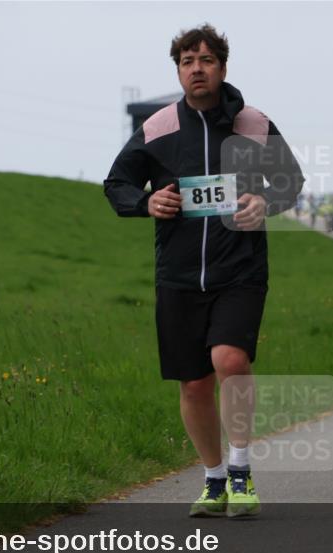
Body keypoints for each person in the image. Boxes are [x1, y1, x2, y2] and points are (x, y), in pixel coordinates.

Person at [104, 24, 304, 518]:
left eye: (206, 60)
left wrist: (265, 201)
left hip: (240, 269)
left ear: (223, 67)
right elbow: (117, 183)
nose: (197, 69)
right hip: (178, 274)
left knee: (229, 360)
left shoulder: (254, 122)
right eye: (187, 61)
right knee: (193, 383)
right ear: (178, 71)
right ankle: (214, 479)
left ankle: (240, 470)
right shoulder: (159, 127)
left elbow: (290, 180)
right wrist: (147, 202)